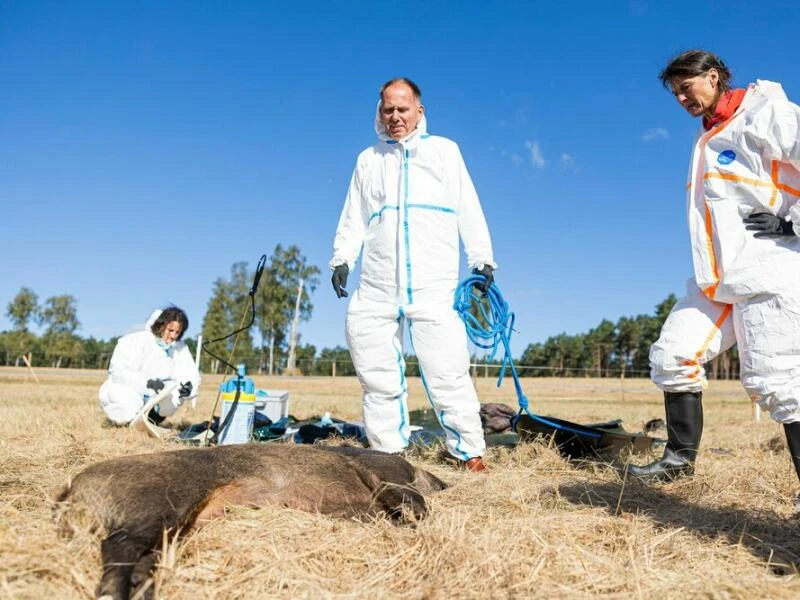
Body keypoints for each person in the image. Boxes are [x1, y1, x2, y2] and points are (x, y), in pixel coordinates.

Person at [627, 50, 800, 508]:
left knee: (783, 383)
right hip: (717, 278)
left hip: (770, 270)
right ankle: (679, 460)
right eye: (676, 91)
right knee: (673, 354)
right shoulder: (708, 138)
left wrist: (794, 223)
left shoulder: (764, 112)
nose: (683, 97)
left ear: (714, 76)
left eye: (689, 86)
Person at [329, 77, 497, 472]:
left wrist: (482, 257)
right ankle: (388, 453)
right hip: (377, 282)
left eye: (403, 109)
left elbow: (467, 205)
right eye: (388, 109)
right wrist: (342, 258)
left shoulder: (444, 152)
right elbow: (353, 214)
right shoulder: (368, 160)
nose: (395, 117)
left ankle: (469, 451)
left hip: (432, 283)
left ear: (419, 111)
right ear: (380, 112)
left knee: (447, 369)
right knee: (376, 373)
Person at [99, 306, 200, 426]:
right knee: (129, 406)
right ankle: (123, 422)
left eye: (177, 332)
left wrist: (187, 388)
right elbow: (118, 372)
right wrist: (148, 383)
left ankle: (152, 420)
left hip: (156, 397)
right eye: (170, 330)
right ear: (161, 326)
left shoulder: (180, 349)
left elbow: (191, 374)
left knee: (171, 399)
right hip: (126, 389)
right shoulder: (137, 340)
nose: (173, 336)